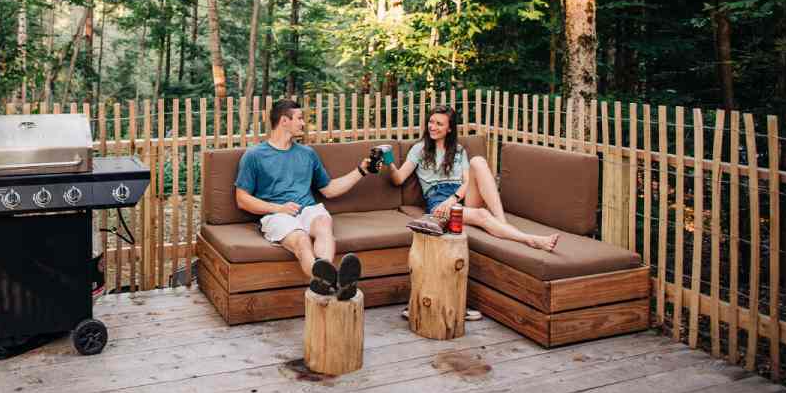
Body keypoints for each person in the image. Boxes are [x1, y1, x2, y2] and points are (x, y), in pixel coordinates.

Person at [235, 99, 371, 300]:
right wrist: (278, 208)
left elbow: (329, 189)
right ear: (284, 121)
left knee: (324, 223)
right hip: (276, 214)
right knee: (301, 240)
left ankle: (327, 281)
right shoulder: (255, 155)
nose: (303, 123)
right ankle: (336, 285)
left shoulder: (307, 153)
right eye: (299, 118)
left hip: (308, 209)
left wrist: (361, 171)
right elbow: (242, 199)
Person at [389, 105, 560, 252]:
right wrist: (388, 160)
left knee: (478, 161)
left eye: (439, 124)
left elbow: (467, 181)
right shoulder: (419, 149)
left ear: (449, 128)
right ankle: (530, 240)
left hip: (461, 195)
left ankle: (502, 222)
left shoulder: (458, 149)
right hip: (439, 202)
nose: (433, 127)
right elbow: (398, 179)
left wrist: (454, 198)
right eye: (431, 122)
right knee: (482, 214)